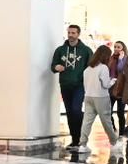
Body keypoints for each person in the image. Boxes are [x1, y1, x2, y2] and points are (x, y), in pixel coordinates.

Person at [50, 25, 93, 155]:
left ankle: (81, 139)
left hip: (79, 85)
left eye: (73, 33)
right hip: (65, 84)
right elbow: (53, 66)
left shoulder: (86, 50)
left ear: (78, 34)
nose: (70, 35)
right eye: (69, 32)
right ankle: (75, 140)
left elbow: (91, 67)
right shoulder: (60, 50)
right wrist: (56, 67)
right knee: (69, 112)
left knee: (76, 110)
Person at [79, 44, 118, 155]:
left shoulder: (87, 69)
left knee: (86, 121)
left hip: (88, 97)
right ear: (105, 56)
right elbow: (106, 85)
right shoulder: (103, 68)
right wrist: (113, 81)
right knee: (106, 121)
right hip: (101, 97)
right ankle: (114, 142)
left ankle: (82, 144)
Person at [109, 40, 128, 136]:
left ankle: (121, 132)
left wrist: (121, 59)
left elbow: (120, 69)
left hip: (122, 88)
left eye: (118, 47)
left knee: (120, 112)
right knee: (108, 111)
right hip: (111, 87)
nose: (116, 49)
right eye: (115, 47)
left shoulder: (126, 59)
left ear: (123, 49)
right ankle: (112, 128)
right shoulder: (111, 58)